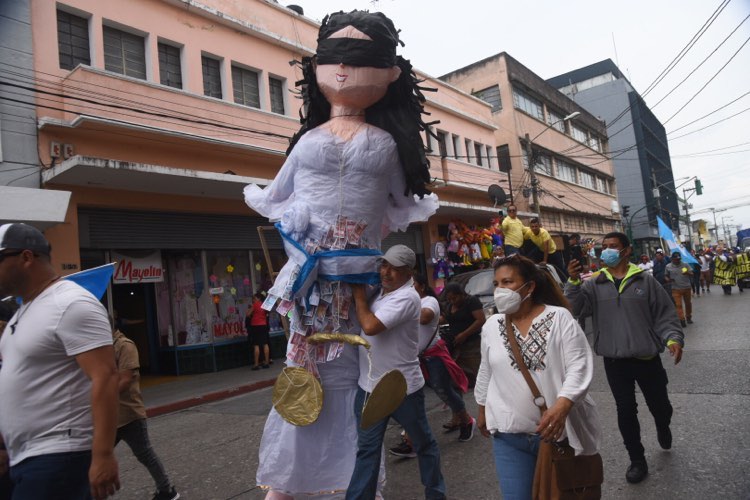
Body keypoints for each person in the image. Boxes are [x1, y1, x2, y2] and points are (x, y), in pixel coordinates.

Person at [247, 10, 437, 498]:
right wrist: (298, 239)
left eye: (362, 60)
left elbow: (399, 203)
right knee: (307, 370)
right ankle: (289, 482)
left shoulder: (388, 146)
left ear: (392, 74)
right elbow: (277, 196)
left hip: (359, 285)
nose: (346, 71)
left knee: (361, 378)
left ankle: (356, 481)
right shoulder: (307, 141)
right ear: (317, 69)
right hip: (309, 283)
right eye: (335, 60)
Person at [0, 223, 120, 499]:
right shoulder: (21, 312)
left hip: (59, 455)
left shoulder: (70, 303)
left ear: (26, 258)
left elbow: (105, 376)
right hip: (24, 457)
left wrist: (102, 455)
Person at [475, 254, 601, 499]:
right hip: (509, 435)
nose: (500, 290)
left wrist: (563, 404)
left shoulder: (559, 318)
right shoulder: (491, 326)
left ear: (529, 287)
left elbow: (579, 365)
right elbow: (485, 369)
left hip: (557, 435)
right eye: (496, 284)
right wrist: (482, 409)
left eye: (508, 282)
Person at [565, 232, 684, 484]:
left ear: (627, 250)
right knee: (625, 410)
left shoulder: (646, 281)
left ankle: (663, 425)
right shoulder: (593, 284)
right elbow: (576, 309)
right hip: (615, 360)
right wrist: (573, 282)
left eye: (613, 246)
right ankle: (637, 460)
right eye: (604, 247)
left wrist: (673, 339)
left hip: (647, 357)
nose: (607, 251)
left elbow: (665, 314)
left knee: (660, 406)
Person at [347, 245, 445, 500]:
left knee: (423, 443)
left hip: (403, 389)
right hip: (369, 387)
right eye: (384, 265)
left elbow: (370, 326)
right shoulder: (380, 292)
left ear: (409, 272)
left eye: (395, 269)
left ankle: (436, 494)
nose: (386, 272)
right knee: (367, 450)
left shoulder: (407, 297)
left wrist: (358, 293)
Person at [389, 275, 473, 458]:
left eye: (413, 285)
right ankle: (411, 441)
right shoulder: (400, 302)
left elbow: (426, 317)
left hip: (434, 357)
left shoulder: (429, 301)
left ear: (422, 286)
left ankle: (466, 420)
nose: (410, 288)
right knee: (409, 398)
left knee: (443, 391)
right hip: (412, 360)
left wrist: (401, 311)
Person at [112, 326, 179, 500]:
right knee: (92, 455)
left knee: (144, 454)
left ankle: (167, 490)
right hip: (109, 415)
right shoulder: (101, 348)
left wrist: (99, 394)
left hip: (128, 414)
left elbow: (125, 380)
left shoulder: (125, 346)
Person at [441, 283, 486, 389]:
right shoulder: (449, 306)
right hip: (457, 342)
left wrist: (464, 334)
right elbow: (447, 319)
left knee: (475, 369)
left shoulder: (471, 301)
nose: (452, 301)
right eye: (449, 299)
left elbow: (480, 320)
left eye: (454, 298)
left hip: (471, 341)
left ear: (461, 294)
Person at [665, 251, 693, 327]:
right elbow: (666, 275)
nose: (677, 260)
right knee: (678, 305)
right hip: (675, 288)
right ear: (672, 259)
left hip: (686, 287)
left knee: (688, 303)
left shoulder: (685, 265)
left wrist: (687, 273)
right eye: (676, 259)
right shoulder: (668, 266)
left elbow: (692, 273)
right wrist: (668, 279)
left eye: (679, 259)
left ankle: (688, 317)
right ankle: (682, 319)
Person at [245, 292, 271, 370]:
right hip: (263, 325)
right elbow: (267, 314)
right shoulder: (265, 305)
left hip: (255, 326)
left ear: (258, 298)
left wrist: (250, 311)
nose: (253, 300)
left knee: (256, 345)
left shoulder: (255, 305)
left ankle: (256, 364)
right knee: (265, 344)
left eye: (254, 298)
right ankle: (266, 362)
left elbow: (248, 314)